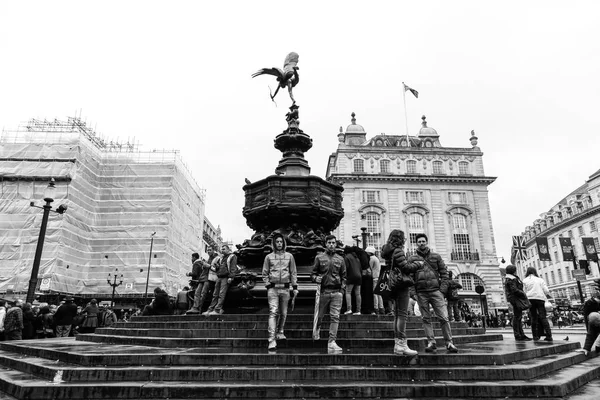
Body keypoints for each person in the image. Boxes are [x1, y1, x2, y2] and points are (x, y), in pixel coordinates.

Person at [405, 233, 458, 353]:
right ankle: (431, 342)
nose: (421, 243)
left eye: (423, 241)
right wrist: (413, 293)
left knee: (444, 317)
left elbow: (444, 273)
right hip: (421, 293)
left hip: (436, 291)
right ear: (416, 243)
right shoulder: (412, 259)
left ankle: (449, 342)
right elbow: (410, 277)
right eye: (419, 241)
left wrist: (442, 290)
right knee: (425, 319)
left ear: (426, 242)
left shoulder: (436, 256)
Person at [381, 229, 418, 356]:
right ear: (400, 239)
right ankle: (402, 344)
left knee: (397, 315)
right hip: (401, 284)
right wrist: (417, 265)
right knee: (402, 315)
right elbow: (406, 267)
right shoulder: (398, 251)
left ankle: (398, 344)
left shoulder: (387, 251)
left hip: (393, 285)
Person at [262, 232, 298, 350]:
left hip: (285, 288)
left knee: (283, 313)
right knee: (273, 312)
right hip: (273, 289)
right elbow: (265, 272)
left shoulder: (289, 256)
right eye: (277, 242)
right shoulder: (269, 257)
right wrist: (268, 285)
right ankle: (271, 339)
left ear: (284, 243)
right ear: (274, 243)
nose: (279, 244)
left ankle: (280, 331)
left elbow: (293, 272)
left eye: (281, 242)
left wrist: (295, 287)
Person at [311, 234, 346, 354]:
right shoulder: (319, 258)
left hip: (336, 292)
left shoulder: (340, 259)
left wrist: (342, 290)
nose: (331, 245)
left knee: (335, 317)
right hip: (324, 291)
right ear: (325, 244)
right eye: (329, 243)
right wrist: (316, 278)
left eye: (333, 243)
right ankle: (317, 329)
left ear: (336, 244)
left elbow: (344, 276)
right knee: (320, 316)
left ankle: (332, 341)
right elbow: (313, 273)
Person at [205, 244, 237, 315]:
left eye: (224, 249)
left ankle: (217, 310)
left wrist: (231, 277)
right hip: (219, 277)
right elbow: (218, 268)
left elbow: (233, 267)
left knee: (221, 294)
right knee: (215, 294)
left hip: (225, 277)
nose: (222, 250)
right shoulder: (221, 258)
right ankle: (210, 309)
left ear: (228, 249)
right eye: (222, 249)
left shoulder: (232, 256)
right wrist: (217, 266)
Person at [523, 266, 552, 341]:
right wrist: (547, 295)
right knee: (543, 317)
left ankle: (535, 336)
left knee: (533, 317)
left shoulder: (525, 280)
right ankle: (549, 335)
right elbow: (546, 290)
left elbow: (523, 291)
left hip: (530, 299)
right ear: (534, 272)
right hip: (540, 299)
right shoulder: (540, 280)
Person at [504, 264, 531, 341]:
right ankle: (518, 335)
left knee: (518, 316)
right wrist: (523, 293)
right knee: (517, 317)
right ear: (513, 271)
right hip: (515, 298)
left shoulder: (511, 278)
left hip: (514, 298)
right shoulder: (511, 278)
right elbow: (514, 289)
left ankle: (521, 334)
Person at [188, 250, 216, 314]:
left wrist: (208, 266)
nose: (208, 251)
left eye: (210, 250)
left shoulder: (215, 258)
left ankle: (199, 308)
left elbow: (214, 268)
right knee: (197, 293)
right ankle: (195, 308)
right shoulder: (207, 259)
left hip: (207, 278)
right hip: (202, 278)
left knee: (202, 294)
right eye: (208, 250)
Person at [343, 246, 362, 315]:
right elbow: (360, 268)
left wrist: (344, 277)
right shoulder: (356, 257)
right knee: (358, 294)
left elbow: (346, 268)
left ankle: (349, 309)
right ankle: (358, 310)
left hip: (351, 276)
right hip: (359, 276)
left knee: (348, 292)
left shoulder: (347, 257)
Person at [366, 246, 384, 315]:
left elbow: (369, 268)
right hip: (378, 277)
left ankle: (376, 308)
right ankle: (381, 308)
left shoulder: (371, 259)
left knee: (375, 294)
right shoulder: (376, 258)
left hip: (374, 278)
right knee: (379, 294)